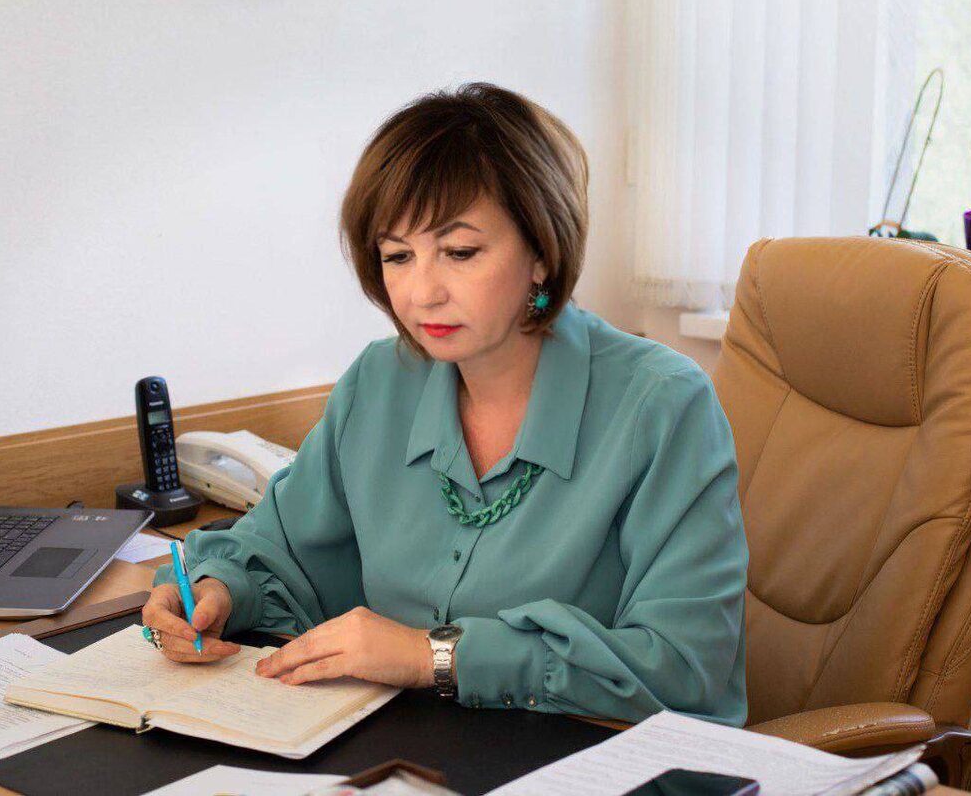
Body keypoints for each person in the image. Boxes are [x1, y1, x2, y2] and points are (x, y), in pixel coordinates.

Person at [143, 82, 748, 726]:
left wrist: (433, 656)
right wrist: (216, 591)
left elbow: (683, 666)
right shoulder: (379, 381)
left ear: (542, 252)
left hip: (588, 755)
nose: (421, 292)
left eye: (460, 252)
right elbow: (277, 547)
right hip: (398, 745)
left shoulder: (663, 404)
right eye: (397, 256)